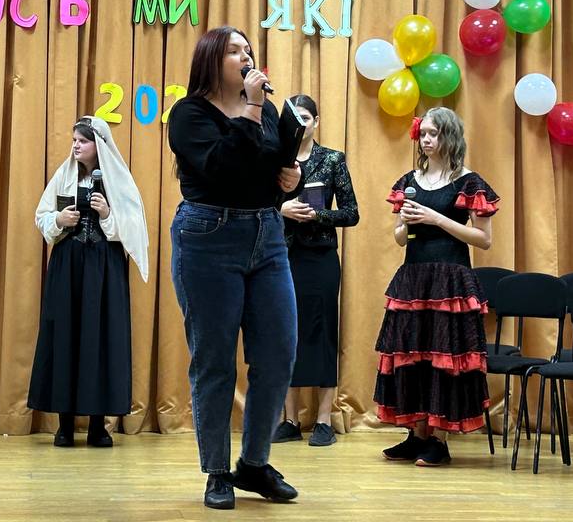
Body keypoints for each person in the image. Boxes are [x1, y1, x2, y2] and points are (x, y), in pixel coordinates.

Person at [166, 26, 303, 510]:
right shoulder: (188, 114)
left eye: (248, 50)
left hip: (267, 235)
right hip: (207, 236)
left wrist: (290, 176)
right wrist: (251, 108)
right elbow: (221, 166)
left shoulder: (266, 111)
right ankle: (217, 471)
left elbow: (268, 168)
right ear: (211, 59)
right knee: (215, 360)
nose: (246, 57)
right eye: (234, 51)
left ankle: (254, 463)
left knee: (279, 353)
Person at [375, 107, 498, 467]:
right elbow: (401, 238)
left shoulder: (468, 181)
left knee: (445, 358)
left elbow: (483, 239)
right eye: (423, 134)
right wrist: (405, 223)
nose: (426, 140)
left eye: (434, 134)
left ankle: (439, 441)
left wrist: (435, 218)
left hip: (450, 280)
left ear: (450, 137)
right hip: (413, 278)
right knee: (413, 356)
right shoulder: (409, 180)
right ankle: (416, 436)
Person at [29, 116, 149, 448]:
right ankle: (64, 425)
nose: (76, 146)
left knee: (102, 337)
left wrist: (108, 214)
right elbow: (42, 215)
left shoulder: (118, 181)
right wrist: (59, 219)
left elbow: (134, 227)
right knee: (65, 335)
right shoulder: (63, 176)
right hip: (68, 264)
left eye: (82, 141)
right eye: (74, 140)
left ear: (99, 146)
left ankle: (99, 425)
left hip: (105, 266)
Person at [272, 94, 359, 448]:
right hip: (283, 255)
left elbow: (351, 213)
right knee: (285, 333)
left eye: (306, 118)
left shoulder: (332, 159)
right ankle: (290, 419)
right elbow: (260, 204)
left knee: (323, 333)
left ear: (316, 122)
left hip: (321, 257)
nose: (301, 124)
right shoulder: (275, 159)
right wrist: (282, 210)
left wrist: (318, 215)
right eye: (295, 118)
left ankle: (323, 420)